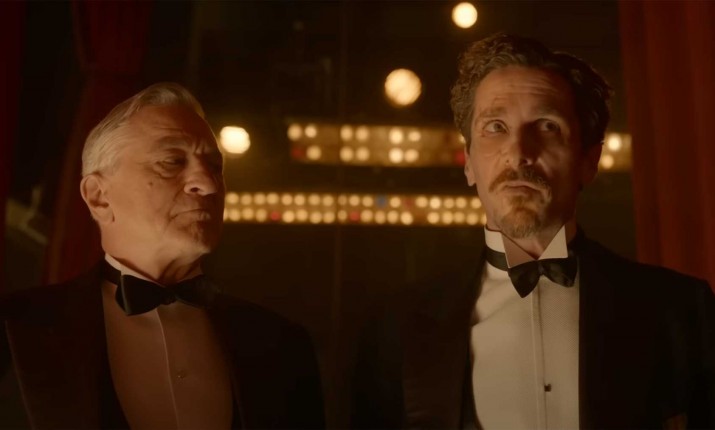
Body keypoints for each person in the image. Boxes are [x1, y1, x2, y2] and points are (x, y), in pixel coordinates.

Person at [351, 33, 715, 429]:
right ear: (469, 162)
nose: (519, 152)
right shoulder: (394, 331)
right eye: (495, 126)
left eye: (546, 126)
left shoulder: (681, 312)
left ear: (588, 161)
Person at [0, 83, 325, 429]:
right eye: (172, 161)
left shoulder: (282, 345)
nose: (208, 185)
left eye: (215, 166)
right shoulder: (14, 331)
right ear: (99, 197)